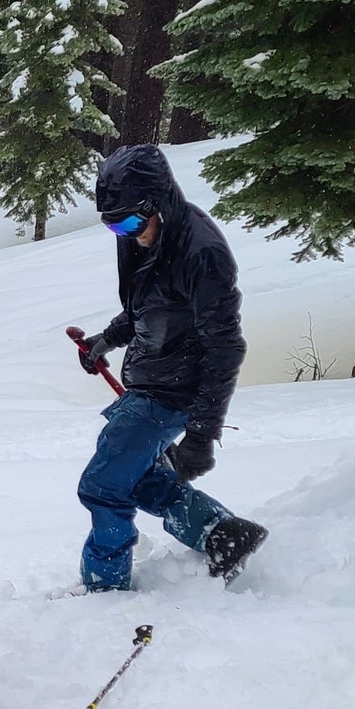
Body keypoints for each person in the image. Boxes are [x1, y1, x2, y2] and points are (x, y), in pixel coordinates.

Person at [75, 144, 267, 590]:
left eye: (127, 222)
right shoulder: (145, 236)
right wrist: (107, 338)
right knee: (138, 478)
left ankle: (104, 589)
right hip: (150, 380)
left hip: (172, 392)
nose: (123, 233)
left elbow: (226, 348)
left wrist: (200, 436)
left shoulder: (202, 254)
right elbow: (151, 306)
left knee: (103, 487)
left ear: (158, 202)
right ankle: (222, 533)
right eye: (112, 224)